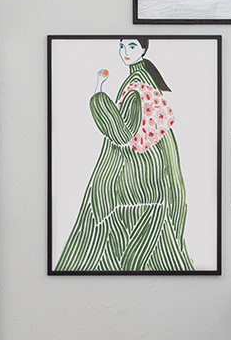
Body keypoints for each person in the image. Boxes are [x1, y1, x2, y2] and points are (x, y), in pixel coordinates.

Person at [56, 37, 193, 272]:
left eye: (131, 46)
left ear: (144, 49)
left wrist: (99, 93)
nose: (125, 52)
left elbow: (122, 135)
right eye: (121, 47)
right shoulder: (145, 80)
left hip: (136, 174)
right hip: (154, 171)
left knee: (109, 229)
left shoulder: (136, 87)